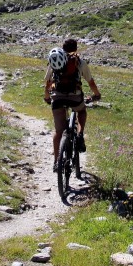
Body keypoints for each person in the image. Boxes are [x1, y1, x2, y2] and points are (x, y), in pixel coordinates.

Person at [44, 38, 101, 172]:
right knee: (81, 111)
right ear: (76, 48)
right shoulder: (80, 62)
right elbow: (90, 82)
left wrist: (47, 97)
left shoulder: (54, 60)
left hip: (57, 98)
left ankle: (57, 162)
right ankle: (80, 133)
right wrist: (96, 95)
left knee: (58, 132)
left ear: (63, 48)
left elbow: (47, 83)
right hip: (75, 97)